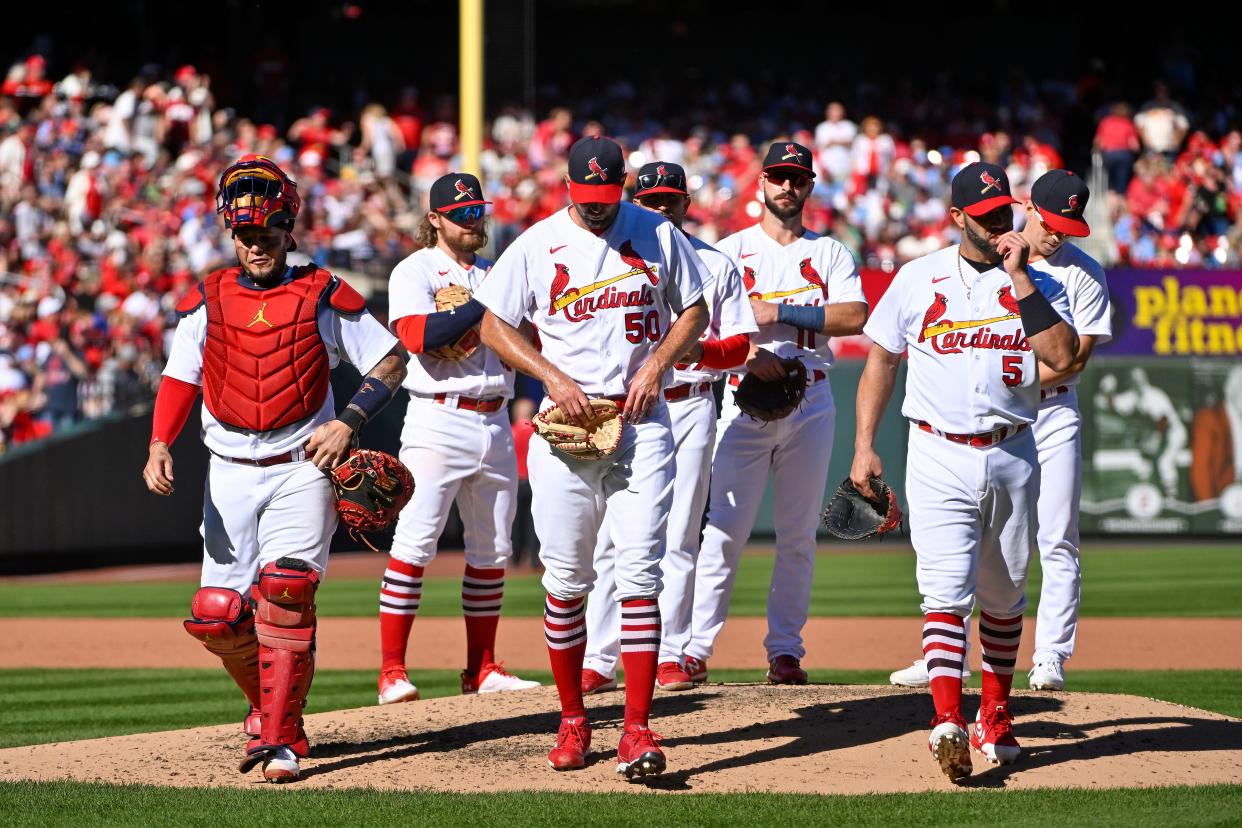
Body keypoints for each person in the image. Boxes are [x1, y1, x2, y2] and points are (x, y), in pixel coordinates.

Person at [141, 155, 406, 783]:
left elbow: (391, 361)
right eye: (247, 235)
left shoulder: (323, 294)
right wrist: (158, 442)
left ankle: (281, 742)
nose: (258, 245)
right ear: (233, 236)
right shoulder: (207, 298)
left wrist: (350, 421)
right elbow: (181, 376)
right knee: (216, 612)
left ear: (290, 229)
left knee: (287, 592)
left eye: (269, 233)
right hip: (227, 467)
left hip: (301, 462)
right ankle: (267, 710)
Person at [474, 136, 708, 778]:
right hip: (564, 430)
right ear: (567, 186)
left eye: (608, 197)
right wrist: (548, 375)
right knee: (567, 580)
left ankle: (636, 728)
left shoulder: (657, 233)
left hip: (642, 423)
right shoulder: (538, 242)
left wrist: (660, 362)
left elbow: (696, 310)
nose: (598, 208)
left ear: (622, 186)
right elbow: (491, 324)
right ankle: (573, 717)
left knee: (639, 574)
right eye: (587, 196)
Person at [851, 162, 1077, 782]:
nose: (997, 222)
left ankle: (995, 714)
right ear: (957, 219)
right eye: (983, 216)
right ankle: (947, 719)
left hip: (1011, 449)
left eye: (1003, 211)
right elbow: (880, 360)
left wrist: (1021, 277)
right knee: (945, 592)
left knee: (1004, 596)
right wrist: (864, 446)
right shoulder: (917, 278)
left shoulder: (1036, 279)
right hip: (936, 450)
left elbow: (1062, 358)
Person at [887, 170, 1112, 694]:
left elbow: (1072, 363)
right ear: (1028, 209)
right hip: (974, 425)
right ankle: (946, 654)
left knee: (1056, 536)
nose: (1057, 236)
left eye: (1068, 228)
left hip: (1048, 415)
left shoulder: (1083, 275)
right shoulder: (980, 259)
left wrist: (998, 388)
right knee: (953, 546)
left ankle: (1050, 655)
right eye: (1052, 222)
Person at [685, 141, 867, 686]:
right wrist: (751, 335)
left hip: (811, 398)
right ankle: (693, 648)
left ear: (810, 186)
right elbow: (705, 328)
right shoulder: (728, 251)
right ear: (760, 183)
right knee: (723, 531)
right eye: (778, 177)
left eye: (797, 178)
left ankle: (785, 650)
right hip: (742, 398)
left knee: (797, 534)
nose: (787, 187)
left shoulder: (831, 253)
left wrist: (777, 310)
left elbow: (854, 314)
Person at [580, 161, 758, 695]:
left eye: (669, 200)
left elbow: (742, 345)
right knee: (613, 537)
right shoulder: (607, 256)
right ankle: (598, 656)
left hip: (689, 401)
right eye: (650, 200)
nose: (661, 209)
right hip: (625, 409)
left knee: (680, 533)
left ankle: (674, 652)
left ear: (686, 205)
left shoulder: (713, 262)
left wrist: (689, 349)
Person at [377, 172, 539, 705]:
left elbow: (528, 337)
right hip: (436, 419)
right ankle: (392, 672)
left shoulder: (493, 272)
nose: (474, 221)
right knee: (415, 543)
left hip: (493, 419)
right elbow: (419, 337)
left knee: (492, 551)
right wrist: (484, 302)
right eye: (461, 213)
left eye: (477, 212)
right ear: (435, 219)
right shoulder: (414, 270)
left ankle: (482, 669)